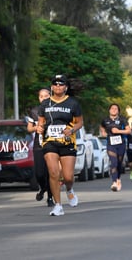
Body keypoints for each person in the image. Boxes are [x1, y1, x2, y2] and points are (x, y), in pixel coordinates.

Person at [36, 74, 83, 216]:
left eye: (61, 84)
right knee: (54, 172)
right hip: (49, 141)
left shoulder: (73, 103)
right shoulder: (45, 104)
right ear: (51, 87)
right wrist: (39, 128)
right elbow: (41, 123)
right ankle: (58, 205)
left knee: (68, 177)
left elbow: (80, 122)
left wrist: (72, 130)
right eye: (55, 84)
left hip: (67, 142)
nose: (58, 86)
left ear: (66, 87)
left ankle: (69, 190)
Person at [26, 88, 54, 207]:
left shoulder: (55, 110)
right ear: (39, 98)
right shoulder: (34, 111)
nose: (43, 98)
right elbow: (29, 128)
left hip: (52, 143)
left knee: (51, 173)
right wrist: (36, 128)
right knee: (40, 173)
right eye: (41, 96)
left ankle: (50, 198)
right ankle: (43, 188)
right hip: (39, 143)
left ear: (50, 97)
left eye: (46, 96)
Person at [100, 104, 131, 191]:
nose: (114, 110)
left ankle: (118, 179)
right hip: (110, 144)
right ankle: (114, 182)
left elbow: (129, 131)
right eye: (112, 108)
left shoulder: (122, 119)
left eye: (116, 108)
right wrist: (103, 132)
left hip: (121, 144)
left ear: (118, 111)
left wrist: (119, 131)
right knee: (113, 162)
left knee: (119, 164)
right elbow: (102, 126)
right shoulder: (105, 120)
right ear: (109, 110)